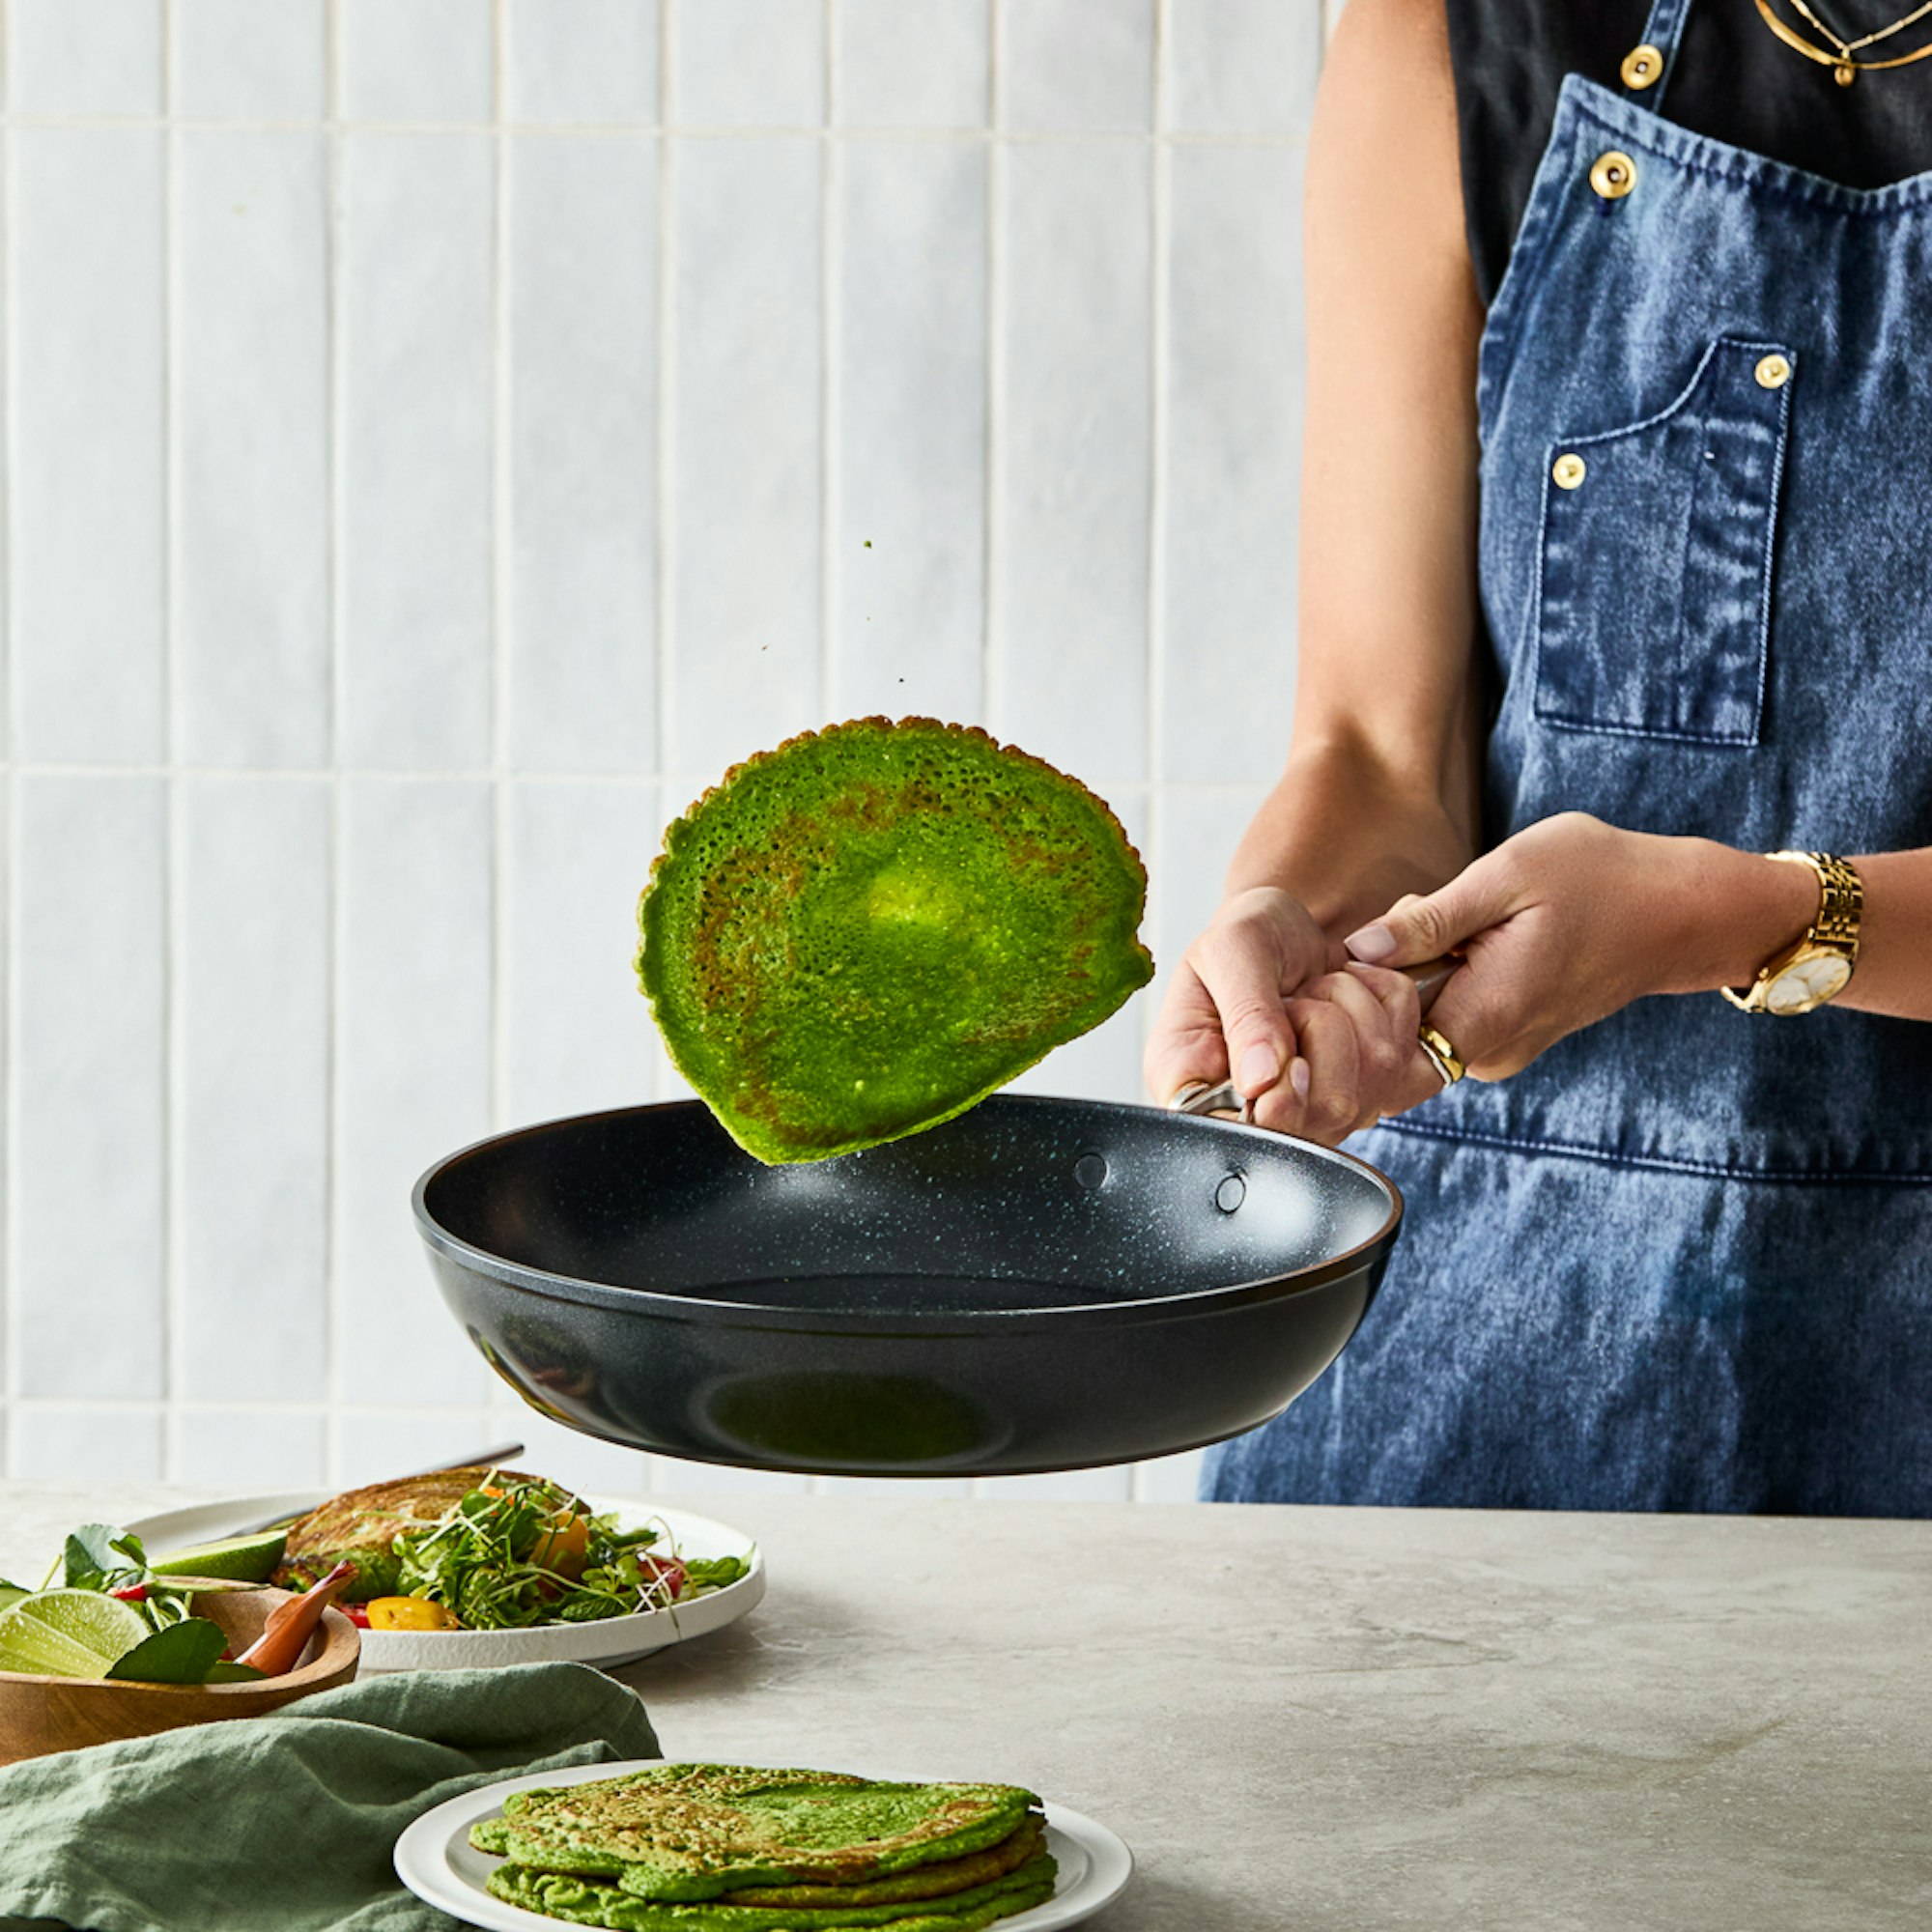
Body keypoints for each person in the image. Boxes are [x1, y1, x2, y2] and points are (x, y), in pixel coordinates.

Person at [1144, 0, 1932, 1516]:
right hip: (1478, 1358)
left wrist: (1741, 917)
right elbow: (1381, 746)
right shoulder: (1440, 33)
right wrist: (1296, 937)